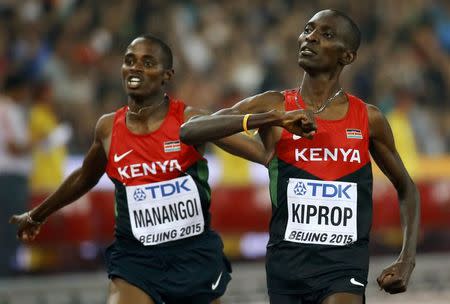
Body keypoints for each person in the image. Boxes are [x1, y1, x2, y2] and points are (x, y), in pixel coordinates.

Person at [9, 35, 304, 304]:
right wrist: (37, 214)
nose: (135, 68)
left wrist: (283, 132)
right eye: (129, 61)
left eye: (147, 63)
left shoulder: (190, 121)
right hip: (136, 258)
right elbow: (86, 176)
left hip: (192, 256)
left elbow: (264, 156)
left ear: (167, 75)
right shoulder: (109, 128)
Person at [180, 9, 420, 304]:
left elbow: (407, 188)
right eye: (308, 30)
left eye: (326, 34)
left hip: (344, 264)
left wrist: (406, 260)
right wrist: (270, 119)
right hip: (286, 266)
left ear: (347, 56)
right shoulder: (275, 105)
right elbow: (190, 130)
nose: (311, 37)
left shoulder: (368, 119)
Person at [0, 73, 33, 276]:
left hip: (10, 176)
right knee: (9, 225)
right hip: (9, 177)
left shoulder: (11, 109)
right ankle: (4, 270)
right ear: (18, 89)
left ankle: (6, 266)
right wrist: (40, 143)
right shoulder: (6, 109)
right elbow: (14, 147)